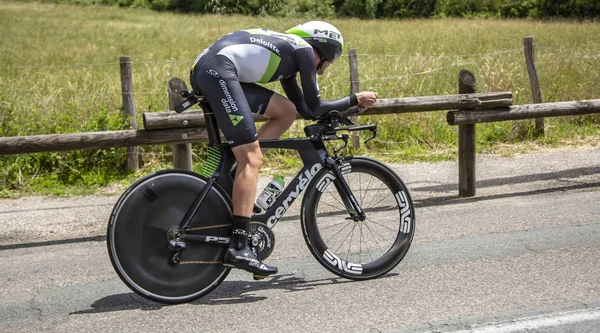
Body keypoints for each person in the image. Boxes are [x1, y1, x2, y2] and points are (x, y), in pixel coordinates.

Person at [189, 21, 379, 278]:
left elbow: (305, 110)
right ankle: (240, 247)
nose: (327, 67)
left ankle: (236, 181)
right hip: (218, 71)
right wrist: (354, 99)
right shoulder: (303, 51)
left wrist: (343, 108)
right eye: (331, 59)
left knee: (285, 111)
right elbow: (316, 103)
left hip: (214, 69)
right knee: (252, 158)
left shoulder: (289, 56)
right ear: (325, 51)